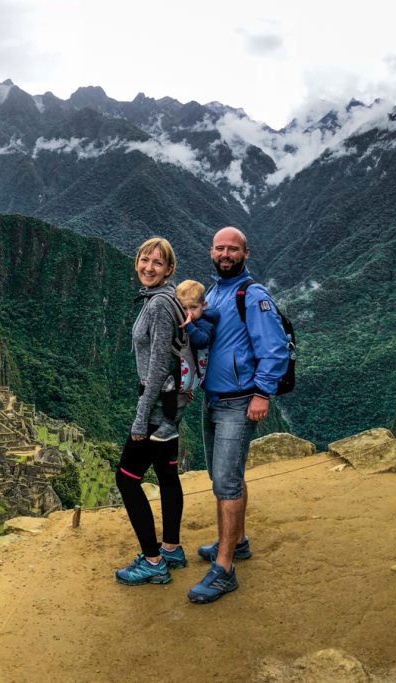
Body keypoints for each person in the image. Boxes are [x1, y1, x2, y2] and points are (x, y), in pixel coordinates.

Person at [187, 227, 290, 604]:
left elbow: (275, 347)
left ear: (246, 254)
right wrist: (192, 323)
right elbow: (207, 340)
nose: (225, 253)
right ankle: (237, 541)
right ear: (211, 252)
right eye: (220, 248)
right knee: (223, 477)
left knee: (226, 484)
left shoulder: (253, 295)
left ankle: (225, 568)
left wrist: (263, 393)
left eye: (233, 249)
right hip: (212, 400)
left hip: (238, 400)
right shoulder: (213, 293)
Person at [114, 237, 187, 587]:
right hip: (171, 410)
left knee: (126, 480)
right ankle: (171, 547)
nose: (149, 267)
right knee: (167, 474)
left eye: (157, 263)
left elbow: (158, 367)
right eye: (145, 260)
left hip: (156, 409)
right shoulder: (171, 299)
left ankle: (153, 560)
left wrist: (141, 418)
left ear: (169, 269)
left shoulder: (158, 305)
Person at [150, 279, 219, 442]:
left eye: (193, 308)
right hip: (185, 366)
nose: (188, 313)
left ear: (204, 305)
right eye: (183, 308)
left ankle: (169, 423)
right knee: (169, 387)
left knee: (168, 387)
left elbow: (202, 340)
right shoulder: (195, 319)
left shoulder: (204, 324)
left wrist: (189, 326)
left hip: (191, 368)